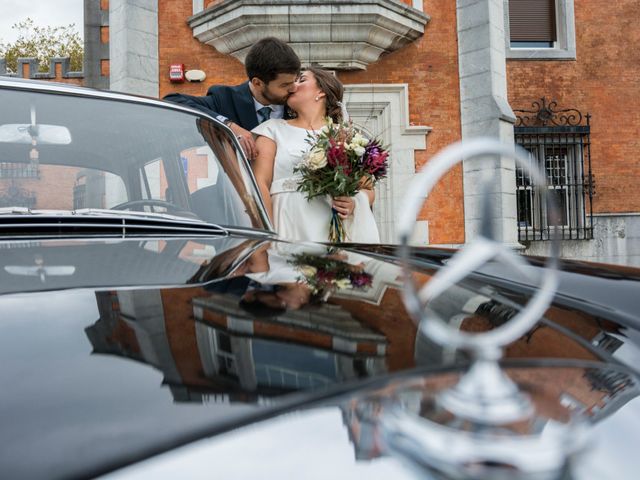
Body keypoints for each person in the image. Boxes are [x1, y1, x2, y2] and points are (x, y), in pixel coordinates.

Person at [251, 67, 380, 243]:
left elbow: (367, 188)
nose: (293, 86)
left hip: (331, 225)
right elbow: (260, 183)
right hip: (287, 223)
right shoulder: (272, 129)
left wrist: (354, 202)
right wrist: (267, 232)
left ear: (321, 91)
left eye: (301, 80)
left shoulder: (345, 135)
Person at [163, 37, 301, 160]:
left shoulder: (299, 102)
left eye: (295, 80)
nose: (294, 88)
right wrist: (229, 126)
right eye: (285, 85)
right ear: (257, 83)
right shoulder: (225, 99)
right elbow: (172, 101)